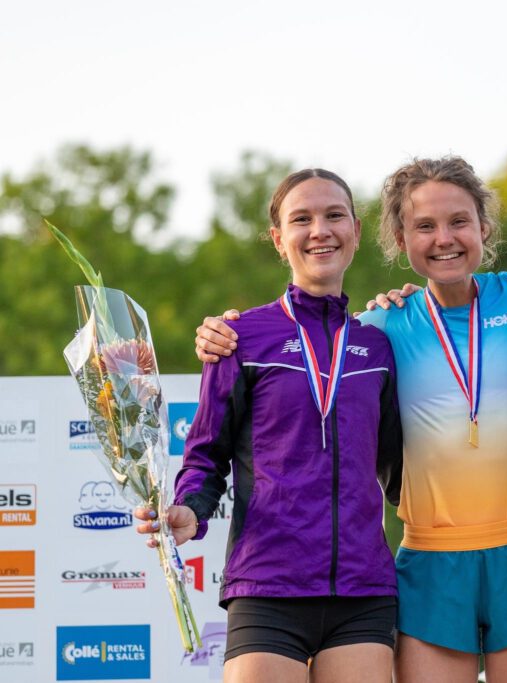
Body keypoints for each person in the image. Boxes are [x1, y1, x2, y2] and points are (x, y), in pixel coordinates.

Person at [194, 157, 507, 683]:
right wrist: (220, 332)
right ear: (400, 238)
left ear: (484, 227)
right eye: (424, 226)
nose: (445, 238)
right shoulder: (379, 328)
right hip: (430, 560)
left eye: (459, 221)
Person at [136, 169, 403, 683]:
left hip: (364, 589)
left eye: (334, 215)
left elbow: (402, 467)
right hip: (268, 586)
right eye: (301, 219)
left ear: (356, 230)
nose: (319, 230)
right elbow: (206, 456)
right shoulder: (240, 338)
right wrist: (191, 510)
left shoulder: (378, 345)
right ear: (280, 240)